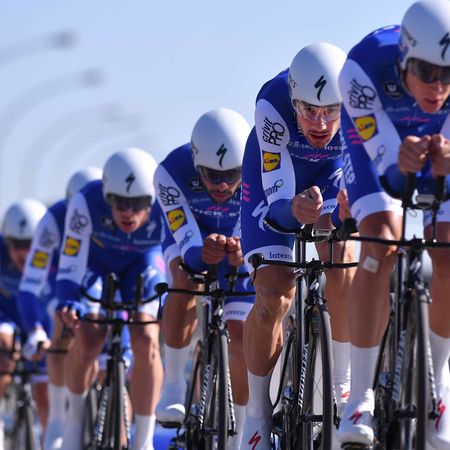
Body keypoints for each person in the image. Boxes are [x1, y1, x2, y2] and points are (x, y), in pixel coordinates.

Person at [336, 1, 450, 448]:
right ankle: (360, 397)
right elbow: (391, 175)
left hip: (438, 148)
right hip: (375, 145)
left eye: (449, 74)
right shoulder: (361, 69)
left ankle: (439, 386)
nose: (438, 86)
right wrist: (401, 163)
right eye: (426, 72)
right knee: (380, 242)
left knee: (447, 250)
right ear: (405, 60)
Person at [239, 42, 356, 449]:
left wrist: (344, 217)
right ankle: (256, 412)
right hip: (277, 183)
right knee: (273, 294)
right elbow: (277, 205)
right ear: (293, 101)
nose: (320, 123)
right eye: (309, 110)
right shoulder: (272, 105)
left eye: (330, 111)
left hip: (330, 175)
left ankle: (343, 385)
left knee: (342, 255)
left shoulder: (359, 102)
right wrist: (294, 209)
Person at [154, 108, 254, 449]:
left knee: (240, 335)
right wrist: (200, 254)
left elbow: (255, 227)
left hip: (237, 242)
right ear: (197, 164)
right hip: (191, 239)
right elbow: (187, 243)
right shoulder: (170, 171)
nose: (223, 185)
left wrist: (244, 250)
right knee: (184, 277)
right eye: (212, 175)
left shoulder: (257, 163)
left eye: (232, 175)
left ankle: (241, 431)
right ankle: (173, 385)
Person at [56, 147, 165, 450]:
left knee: (146, 336)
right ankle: (74, 424)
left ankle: (143, 440)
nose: (128, 212)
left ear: (151, 199)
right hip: (97, 265)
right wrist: (68, 300)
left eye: (138, 204)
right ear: (106, 196)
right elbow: (71, 259)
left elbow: (174, 255)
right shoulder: (85, 201)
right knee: (89, 336)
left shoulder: (165, 200)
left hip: (143, 262)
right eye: (119, 203)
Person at [18, 167, 102, 450]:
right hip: (62, 276)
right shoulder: (52, 220)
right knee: (62, 318)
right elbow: (30, 284)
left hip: (103, 272)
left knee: (113, 345)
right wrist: (34, 330)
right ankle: (56, 419)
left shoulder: (112, 212)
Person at [0, 198, 47, 447]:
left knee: (45, 387)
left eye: (30, 245)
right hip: (6, 317)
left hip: (39, 322)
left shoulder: (53, 255)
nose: (23, 253)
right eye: (16, 245)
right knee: (4, 348)